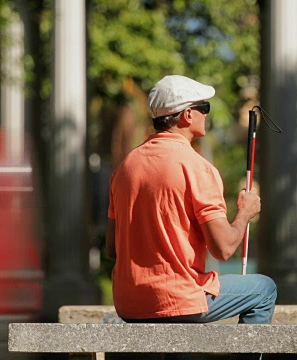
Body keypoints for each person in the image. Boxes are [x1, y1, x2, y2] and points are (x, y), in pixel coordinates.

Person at [106, 75, 277, 360]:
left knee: (179, 323)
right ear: (187, 115)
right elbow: (223, 249)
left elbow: (112, 249)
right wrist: (245, 213)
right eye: (204, 108)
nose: (206, 115)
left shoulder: (124, 168)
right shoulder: (197, 167)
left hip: (129, 303)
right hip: (178, 300)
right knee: (263, 289)